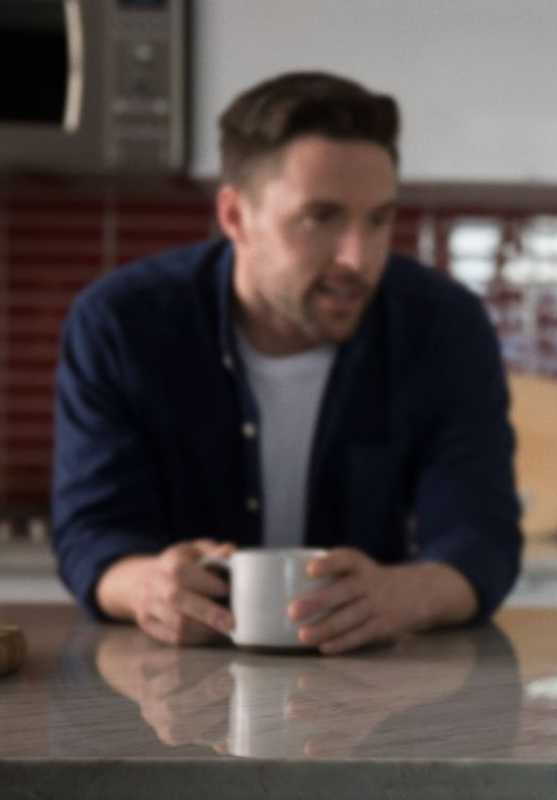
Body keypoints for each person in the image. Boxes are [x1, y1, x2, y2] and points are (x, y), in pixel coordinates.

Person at [51, 71, 522, 654]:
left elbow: (480, 538)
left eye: (378, 220)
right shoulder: (121, 322)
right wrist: (149, 586)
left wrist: (404, 594)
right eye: (321, 217)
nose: (359, 257)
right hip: (169, 693)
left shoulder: (445, 326)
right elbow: (94, 534)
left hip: (379, 691)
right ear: (234, 216)